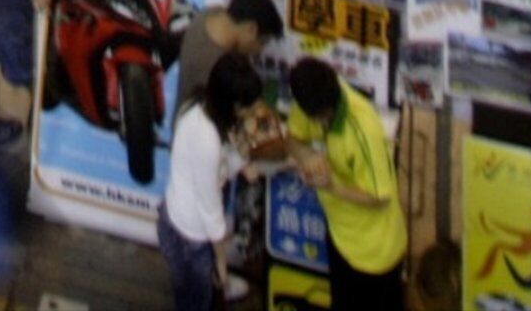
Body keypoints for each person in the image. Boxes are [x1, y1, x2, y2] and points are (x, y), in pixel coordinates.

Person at [284, 55, 406, 311]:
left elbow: (380, 197)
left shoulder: (363, 129)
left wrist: (332, 187)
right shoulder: (310, 98)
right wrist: (307, 157)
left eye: (320, 119)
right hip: (341, 237)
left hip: (375, 252)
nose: (317, 125)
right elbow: (292, 139)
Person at [162, 52, 264, 311]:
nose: (254, 110)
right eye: (250, 106)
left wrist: (241, 165)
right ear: (235, 106)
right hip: (191, 237)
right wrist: (220, 262)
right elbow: (210, 209)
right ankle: (214, 286)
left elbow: (220, 160)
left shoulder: (198, 104)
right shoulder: (207, 140)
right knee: (195, 300)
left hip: (175, 217)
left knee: (191, 290)